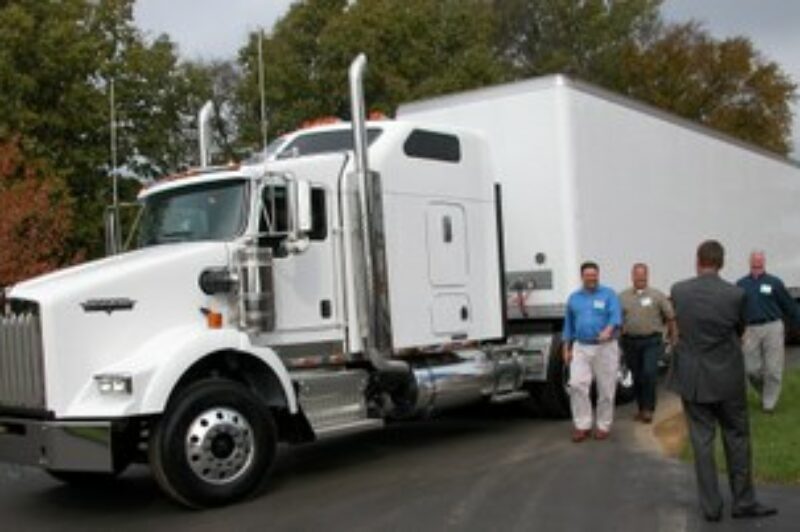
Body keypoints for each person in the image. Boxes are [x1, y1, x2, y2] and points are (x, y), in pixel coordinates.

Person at [670, 240, 776, 522]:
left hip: (694, 378)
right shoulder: (736, 294)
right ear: (722, 262)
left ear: (698, 261)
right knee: (737, 437)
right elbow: (740, 330)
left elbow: (681, 326)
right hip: (727, 377)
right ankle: (743, 501)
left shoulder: (678, 290)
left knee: (702, 443)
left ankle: (711, 507)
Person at [562, 261, 622, 443]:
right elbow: (568, 325)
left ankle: (603, 425)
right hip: (581, 346)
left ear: (598, 275)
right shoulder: (574, 298)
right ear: (582, 277)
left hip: (605, 346)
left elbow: (615, 316)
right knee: (576, 384)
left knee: (606, 388)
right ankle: (582, 425)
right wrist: (566, 348)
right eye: (588, 275)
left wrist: (608, 330)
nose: (591, 278)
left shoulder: (609, 294)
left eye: (594, 275)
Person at [736, 250, 800, 412]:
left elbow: (789, 305)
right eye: (754, 261)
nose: (757, 264)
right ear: (750, 262)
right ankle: (766, 392)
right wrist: (739, 330)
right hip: (751, 329)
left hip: (773, 327)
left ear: (764, 263)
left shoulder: (774, 282)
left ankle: (768, 404)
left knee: (773, 369)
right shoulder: (741, 284)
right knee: (751, 369)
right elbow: (736, 310)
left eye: (760, 261)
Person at [619, 263, 677, 423]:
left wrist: (673, 336)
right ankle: (641, 408)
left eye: (643, 274)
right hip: (630, 342)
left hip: (652, 341)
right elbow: (617, 318)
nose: (640, 278)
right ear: (632, 276)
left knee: (649, 373)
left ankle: (649, 409)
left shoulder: (657, 295)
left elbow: (671, 316)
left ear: (647, 275)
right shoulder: (622, 297)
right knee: (637, 376)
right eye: (637, 275)